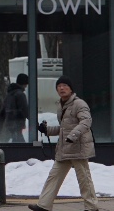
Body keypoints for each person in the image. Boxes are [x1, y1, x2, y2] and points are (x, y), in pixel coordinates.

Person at [31, 77, 99, 211]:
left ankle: (92, 207)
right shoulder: (61, 105)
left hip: (78, 148)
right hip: (65, 148)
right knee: (54, 176)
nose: (61, 88)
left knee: (84, 179)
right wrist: (47, 130)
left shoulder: (79, 104)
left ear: (71, 88)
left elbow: (86, 122)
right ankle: (44, 205)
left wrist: (73, 136)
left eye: (65, 85)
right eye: (59, 86)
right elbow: (64, 128)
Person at [0, 73, 31, 143]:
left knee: (14, 143)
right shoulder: (20, 95)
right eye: (26, 84)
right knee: (21, 146)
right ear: (24, 83)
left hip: (9, 125)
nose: (26, 86)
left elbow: (2, 112)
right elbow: (25, 110)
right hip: (17, 125)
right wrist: (34, 121)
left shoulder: (9, 95)